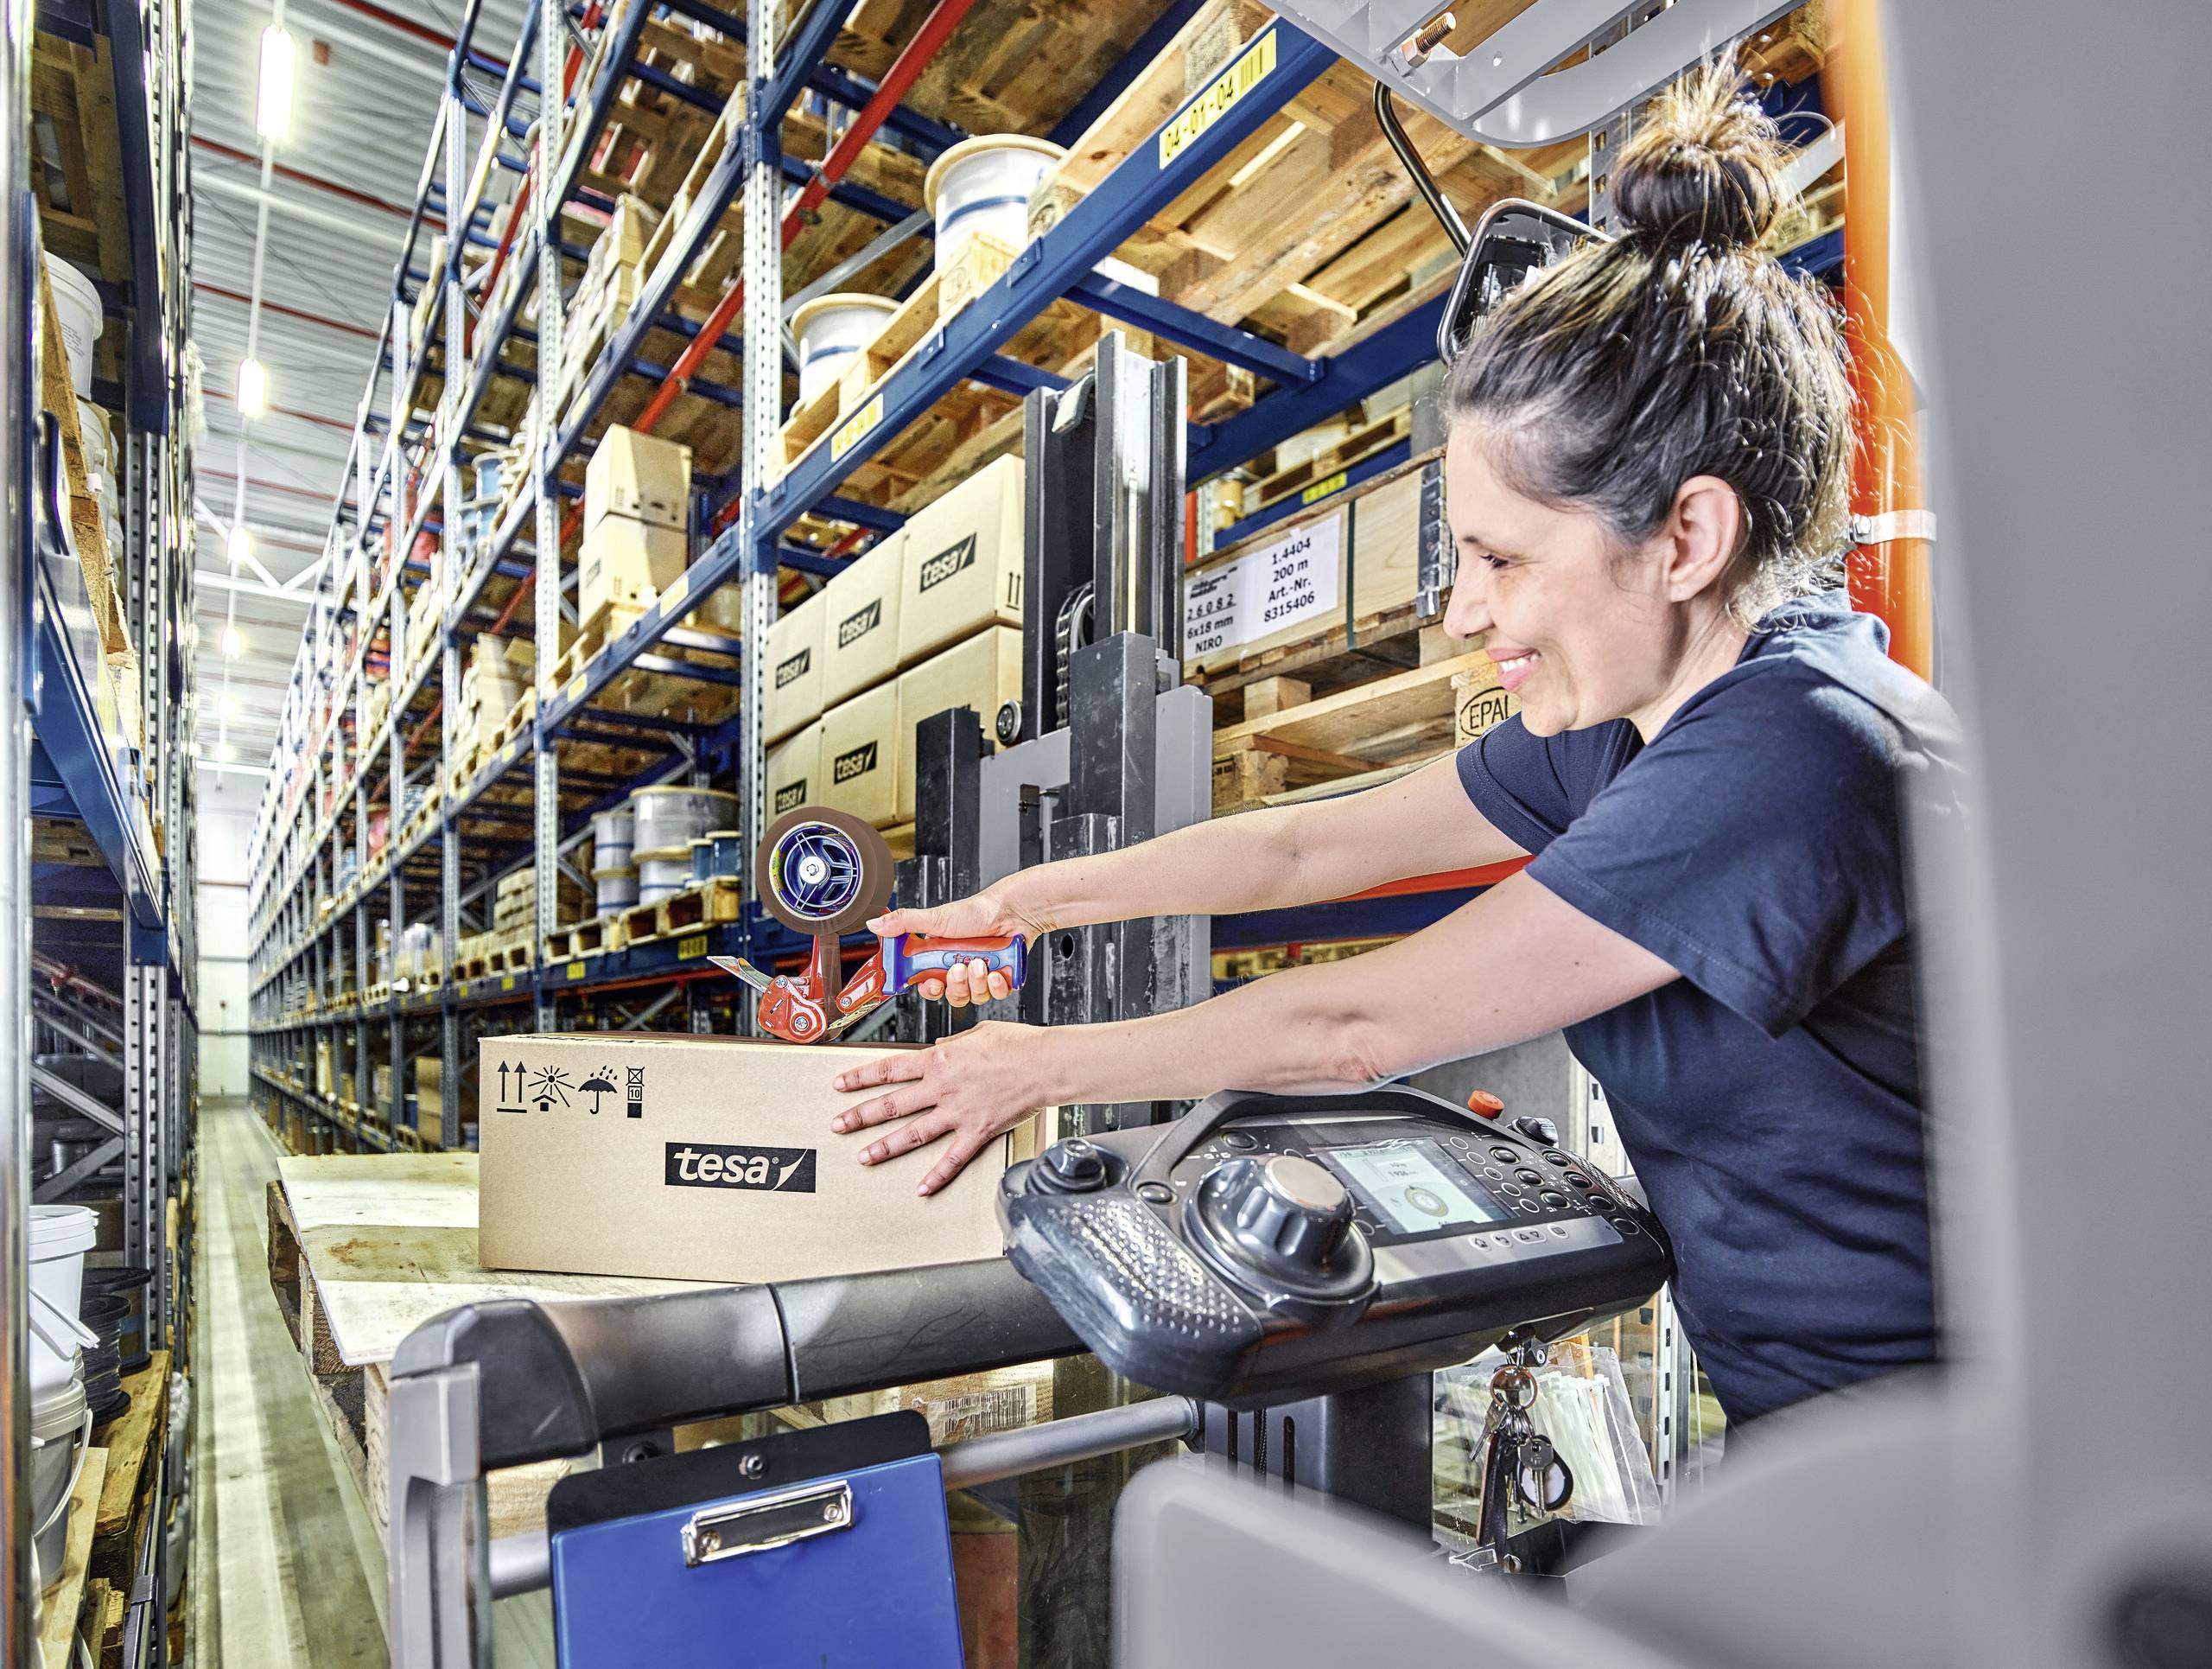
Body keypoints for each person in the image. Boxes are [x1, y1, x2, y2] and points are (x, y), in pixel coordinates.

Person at [825, 67, 1963, 1431]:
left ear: (1687, 538)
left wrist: (1032, 1068)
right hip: (1824, 1422)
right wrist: (1025, 906)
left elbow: (1356, 1026)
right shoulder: (1627, 727)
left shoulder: (1790, 751)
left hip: (1960, 1439)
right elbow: (1304, 848)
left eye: (1503, 559)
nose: (1463, 611)